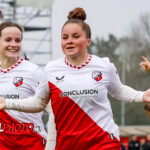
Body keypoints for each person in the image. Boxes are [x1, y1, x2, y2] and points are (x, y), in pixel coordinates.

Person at [1, 7, 150, 150]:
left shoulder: (104, 65)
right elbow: (39, 102)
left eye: (76, 36)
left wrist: (141, 95)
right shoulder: (51, 69)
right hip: (68, 144)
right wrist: (7, 103)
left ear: (88, 41)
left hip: (104, 141)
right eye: (65, 38)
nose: (69, 41)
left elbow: (118, 90)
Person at [0, 21, 47, 150]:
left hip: (33, 143)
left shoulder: (33, 71)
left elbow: (51, 108)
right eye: (8, 40)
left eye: (17, 40)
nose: (13, 44)